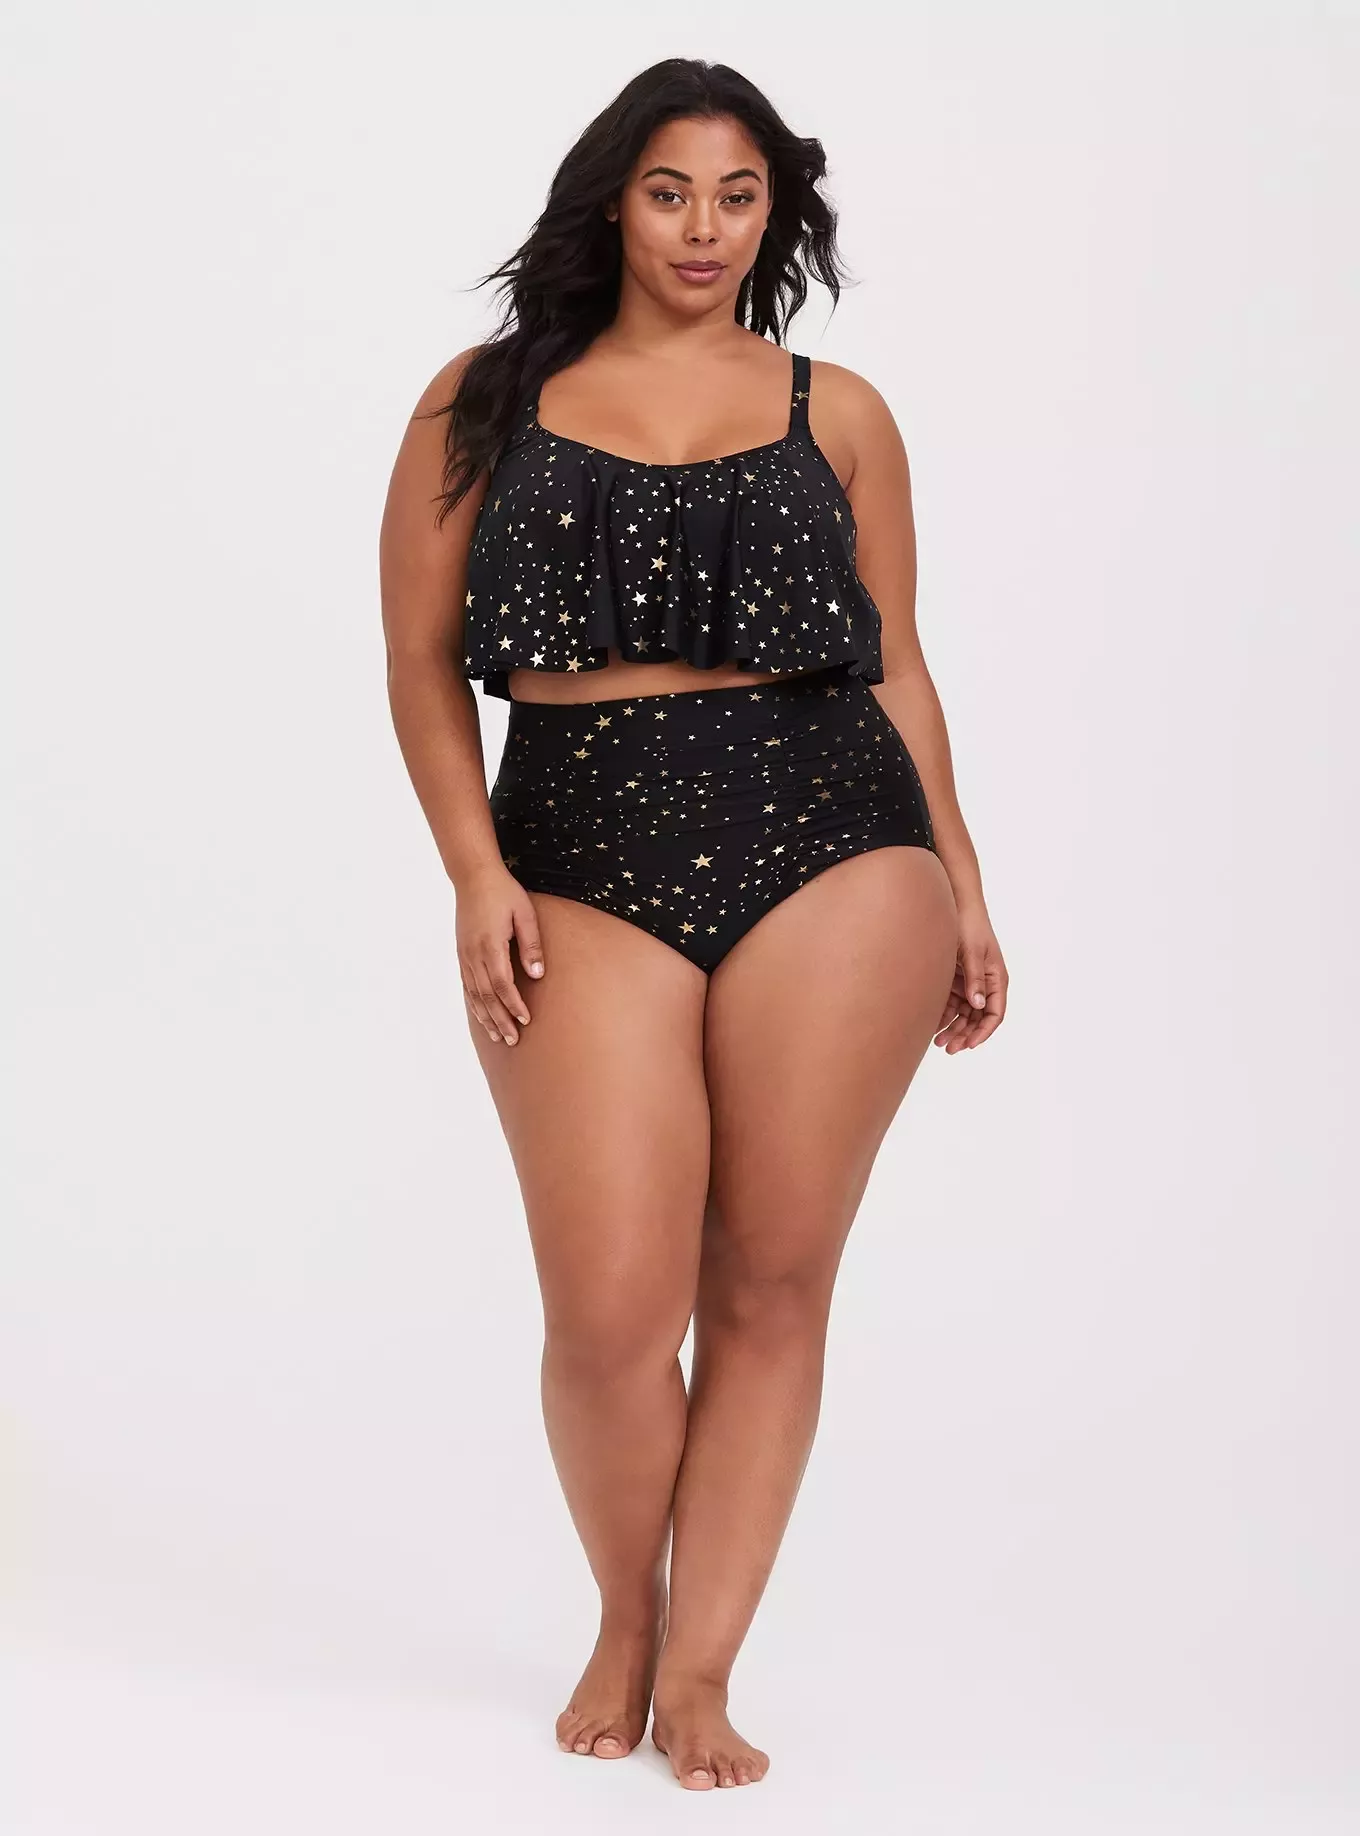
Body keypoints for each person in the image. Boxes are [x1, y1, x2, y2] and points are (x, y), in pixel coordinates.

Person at [379, 56, 1007, 1793]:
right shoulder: (481, 402)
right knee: (608, 1309)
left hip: (835, 837)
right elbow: (419, 665)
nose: (705, 228)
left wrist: (962, 883)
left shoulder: (840, 410)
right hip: (576, 846)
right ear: (614, 200)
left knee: (774, 1277)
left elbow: (898, 662)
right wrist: (474, 873)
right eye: (671, 191)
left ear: (776, 215)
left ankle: (707, 1667)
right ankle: (625, 1610)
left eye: (741, 196)